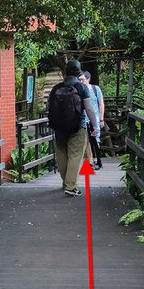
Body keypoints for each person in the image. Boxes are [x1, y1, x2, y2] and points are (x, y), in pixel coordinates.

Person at [47, 60, 100, 196]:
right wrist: (95, 125)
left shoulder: (56, 88)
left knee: (62, 154)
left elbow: (49, 108)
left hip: (59, 127)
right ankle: (70, 187)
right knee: (75, 156)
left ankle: (66, 182)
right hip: (78, 126)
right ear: (78, 72)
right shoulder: (82, 88)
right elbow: (88, 108)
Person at [79, 71, 106, 170]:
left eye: (83, 79)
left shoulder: (95, 89)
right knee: (86, 141)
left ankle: (96, 159)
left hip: (95, 118)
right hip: (83, 119)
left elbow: (101, 104)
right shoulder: (80, 90)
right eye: (79, 79)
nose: (81, 81)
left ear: (88, 79)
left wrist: (101, 119)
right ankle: (90, 161)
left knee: (95, 140)